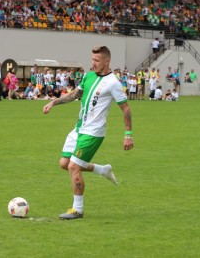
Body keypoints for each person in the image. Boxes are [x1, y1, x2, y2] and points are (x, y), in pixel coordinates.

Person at [42, 46, 134, 220]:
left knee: (73, 167)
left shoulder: (113, 83)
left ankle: (78, 209)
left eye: (97, 61)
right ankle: (102, 170)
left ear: (107, 61)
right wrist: (54, 102)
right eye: (92, 60)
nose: (93, 64)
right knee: (64, 163)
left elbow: (126, 109)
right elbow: (75, 94)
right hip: (78, 129)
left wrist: (128, 134)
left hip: (93, 133)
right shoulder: (88, 76)